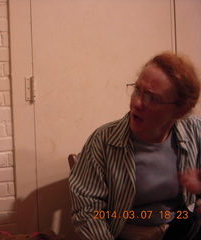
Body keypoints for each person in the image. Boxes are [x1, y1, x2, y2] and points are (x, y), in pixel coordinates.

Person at [69, 52, 201, 240]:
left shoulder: (195, 130)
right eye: (137, 90)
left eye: (151, 98)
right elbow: (87, 213)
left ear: (180, 110)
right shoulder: (103, 141)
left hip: (182, 229)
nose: (136, 103)